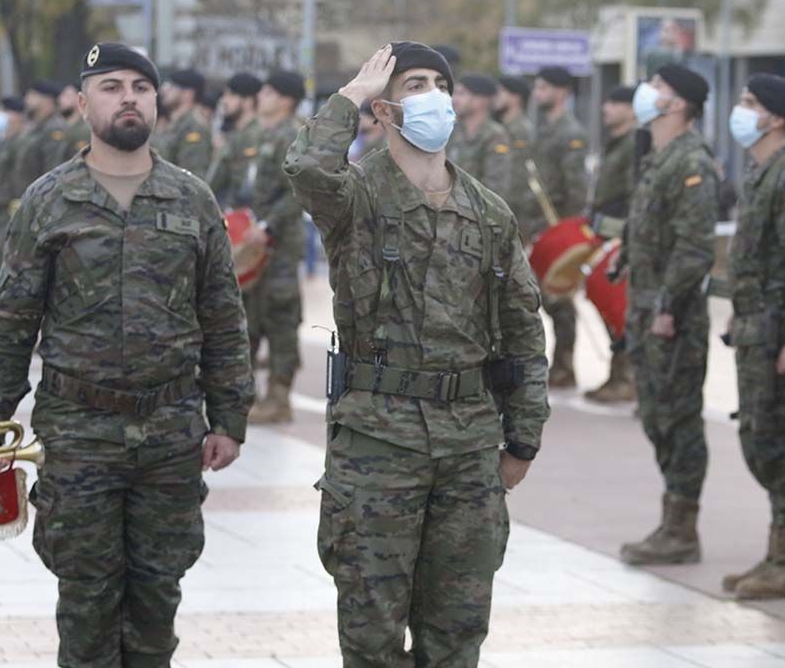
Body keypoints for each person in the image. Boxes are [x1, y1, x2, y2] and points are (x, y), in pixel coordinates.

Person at [0, 42, 254, 667]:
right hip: (79, 431)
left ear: (156, 103)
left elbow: (223, 316)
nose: (128, 97)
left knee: (156, 604)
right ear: (82, 103)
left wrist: (230, 418)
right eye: (111, 86)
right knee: (87, 606)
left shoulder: (191, 199)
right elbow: (13, 318)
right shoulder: (48, 200)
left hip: (171, 429)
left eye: (141, 88)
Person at [284, 42, 548, 665]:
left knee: (457, 635)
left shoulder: (488, 213)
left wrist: (523, 440)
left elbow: (521, 333)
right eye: (413, 85)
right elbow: (306, 169)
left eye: (439, 84)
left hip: (467, 448)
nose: (432, 95)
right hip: (377, 444)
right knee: (372, 636)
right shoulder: (356, 196)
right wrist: (348, 100)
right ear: (385, 108)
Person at [720, 74, 785, 599]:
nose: (742, 111)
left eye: (751, 104)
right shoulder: (761, 173)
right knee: (757, 436)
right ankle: (775, 553)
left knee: (782, 443)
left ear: (777, 118)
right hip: (756, 333)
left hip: (780, 337)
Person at [617, 64, 718, 566]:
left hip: (671, 317)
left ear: (679, 104)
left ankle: (682, 529)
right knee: (656, 416)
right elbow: (650, 230)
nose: (647, 94)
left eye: (658, 88)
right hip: (646, 310)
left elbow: (694, 247)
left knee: (677, 420)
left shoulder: (691, 161)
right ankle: (671, 522)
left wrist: (666, 306)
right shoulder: (657, 158)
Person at [244, 70, 306, 424]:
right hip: (251, 248)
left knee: (281, 318)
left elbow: (299, 191)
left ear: (284, 99)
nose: (261, 96)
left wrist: (267, 225)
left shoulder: (295, 135)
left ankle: (280, 397)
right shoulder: (258, 133)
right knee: (250, 317)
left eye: (268, 91)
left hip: (280, 246)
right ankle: (250, 394)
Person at [532, 66, 590, 388]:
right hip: (539, 223)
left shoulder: (570, 132)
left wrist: (568, 231)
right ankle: (558, 364)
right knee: (546, 298)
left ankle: (566, 364)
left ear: (562, 92)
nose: (538, 93)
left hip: (558, 225)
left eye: (544, 87)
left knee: (559, 299)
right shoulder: (545, 129)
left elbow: (576, 187)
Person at [585, 85, 639, 403]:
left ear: (631, 110)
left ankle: (627, 378)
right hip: (603, 232)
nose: (606, 107)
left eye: (615, 103)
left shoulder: (633, 144)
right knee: (608, 304)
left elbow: (633, 195)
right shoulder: (615, 143)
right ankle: (617, 375)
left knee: (620, 306)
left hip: (618, 233)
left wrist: (624, 235)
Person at [206, 72, 264, 208]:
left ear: (248, 101)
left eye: (231, 95)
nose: (224, 100)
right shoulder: (235, 135)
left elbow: (245, 186)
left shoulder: (253, 136)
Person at [449, 72, 512, 196]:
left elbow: (495, 186)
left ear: (481, 100)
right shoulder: (452, 131)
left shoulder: (495, 135)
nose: (454, 99)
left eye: (461, 94)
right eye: (455, 94)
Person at [494, 75, 539, 239]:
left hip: (516, 210)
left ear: (515, 98)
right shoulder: (501, 127)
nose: (495, 97)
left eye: (501, 92)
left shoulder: (521, 130)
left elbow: (521, 173)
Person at [0, 96, 27, 271]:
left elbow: (20, 175)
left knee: (11, 258)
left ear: (18, 115)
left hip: (13, 205)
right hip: (1, 205)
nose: (2, 116)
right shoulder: (6, 141)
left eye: (6, 112)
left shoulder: (21, 142)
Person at [16, 80, 67, 197]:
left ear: (47, 100)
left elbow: (53, 172)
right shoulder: (38, 128)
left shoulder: (54, 129)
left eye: (33, 95)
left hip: (44, 201)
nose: (27, 100)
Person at [159, 68, 212, 177]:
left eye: (172, 86)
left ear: (188, 94)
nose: (164, 90)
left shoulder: (193, 128)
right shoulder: (175, 124)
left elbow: (192, 176)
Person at [56, 81, 91, 165]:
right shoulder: (62, 128)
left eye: (67, 95)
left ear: (80, 99)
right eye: (62, 95)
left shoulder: (86, 130)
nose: (60, 99)